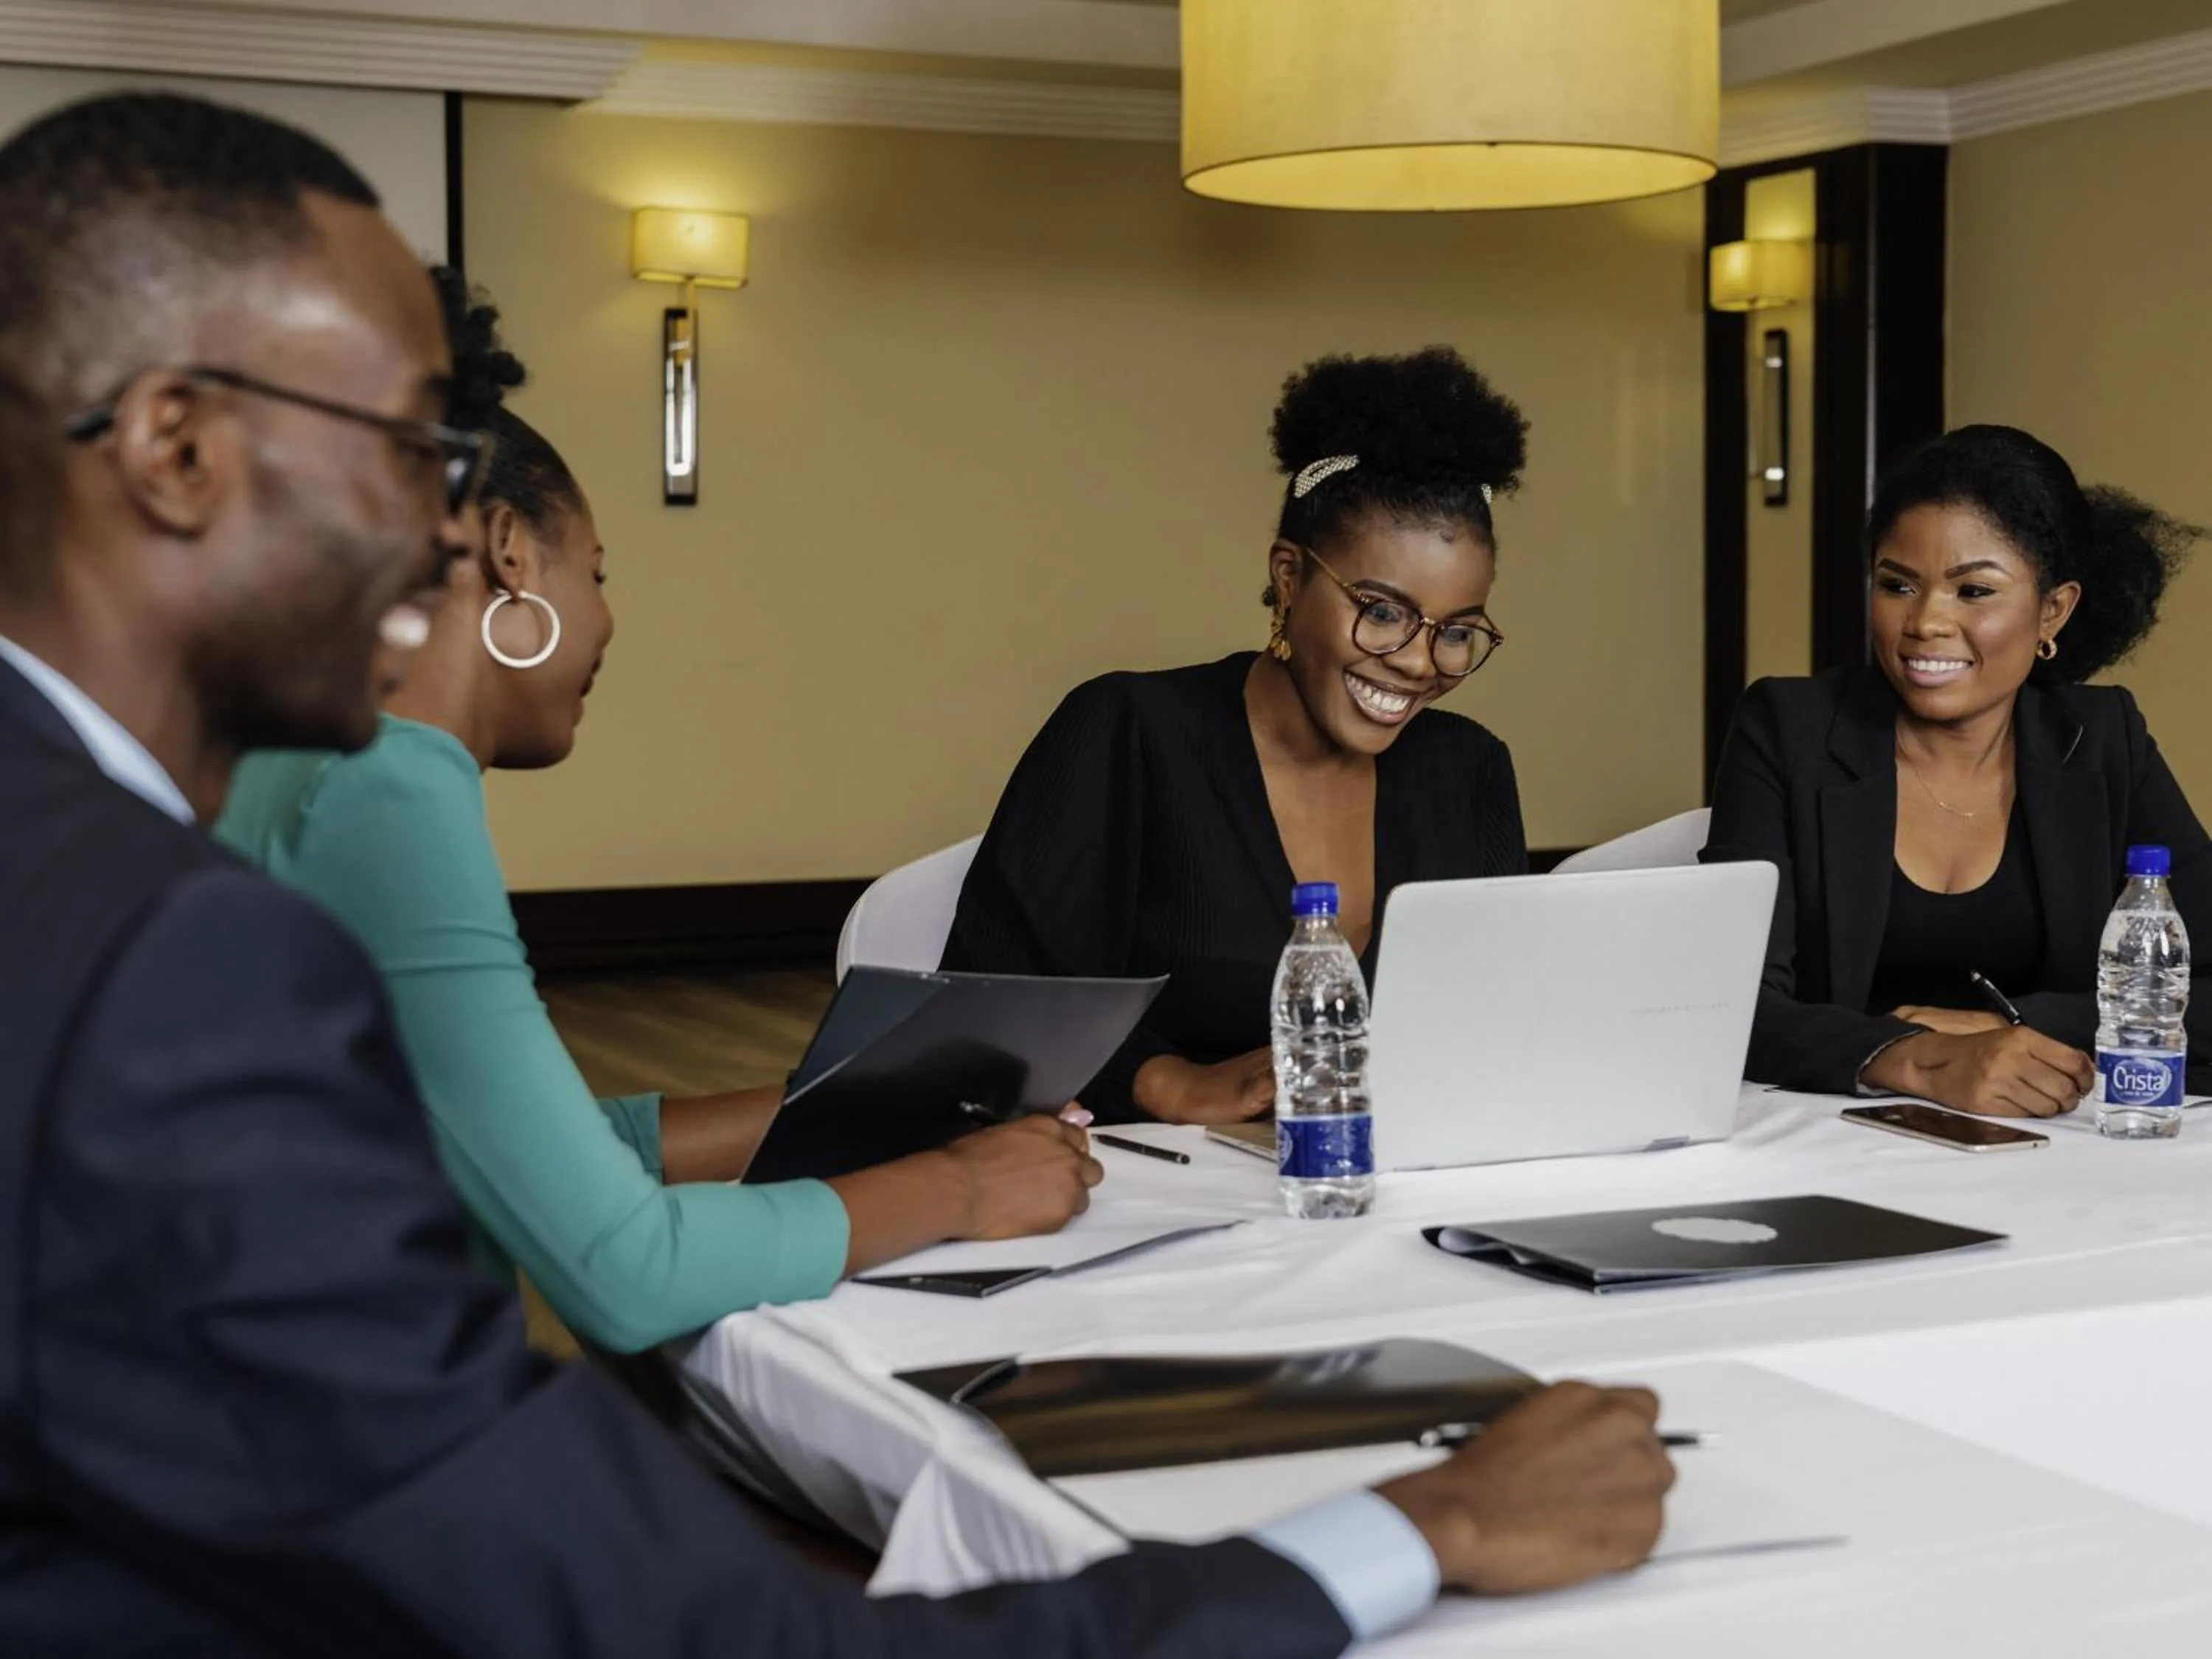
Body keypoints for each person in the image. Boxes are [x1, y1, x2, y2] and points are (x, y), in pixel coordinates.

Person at [0, 92, 1675, 1656]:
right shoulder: (171, 966)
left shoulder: (89, 870)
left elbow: (464, 1161)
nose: (448, 530)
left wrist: (864, 1113)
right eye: (411, 449)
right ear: (174, 449)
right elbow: (703, 1627)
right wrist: (1417, 1525)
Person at [218, 323, 1102, 1356]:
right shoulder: (387, 792)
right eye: (596, 573)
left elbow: (518, 1147)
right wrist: (960, 1186)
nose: (605, 620)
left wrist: (881, 1108)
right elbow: (629, 1270)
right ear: (508, 553)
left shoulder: (291, 758)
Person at [945, 347, 1531, 1124]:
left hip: (1390, 1167)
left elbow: (1494, 1014)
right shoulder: (1129, 733)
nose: (1420, 663)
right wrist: (1168, 1082)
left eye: (1455, 631)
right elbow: (991, 1007)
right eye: (1382, 611)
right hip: (1141, 1173)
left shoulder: (1469, 769)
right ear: (1289, 578)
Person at [1703, 424, 2211, 1115]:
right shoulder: (1788, 728)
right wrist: (1920, 1057)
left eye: (1973, 591)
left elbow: (2201, 986)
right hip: (1834, 1135)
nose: (1925, 623)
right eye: (1897, 585)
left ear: (2053, 610)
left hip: (2051, 1135)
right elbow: (1725, 1001)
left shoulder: (2101, 740)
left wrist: (2016, 1026)